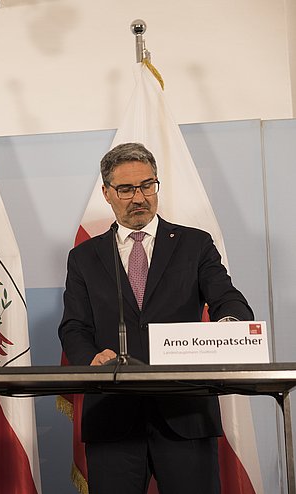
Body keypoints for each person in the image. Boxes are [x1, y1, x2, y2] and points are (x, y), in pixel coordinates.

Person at [58, 142, 253, 494]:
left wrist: (229, 334)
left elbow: (229, 301)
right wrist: (90, 357)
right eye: (126, 188)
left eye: (148, 185)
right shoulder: (85, 257)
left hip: (185, 414)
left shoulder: (195, 244)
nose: (139, 197)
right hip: (112, 415)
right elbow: (74, 326)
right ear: (106, 193)